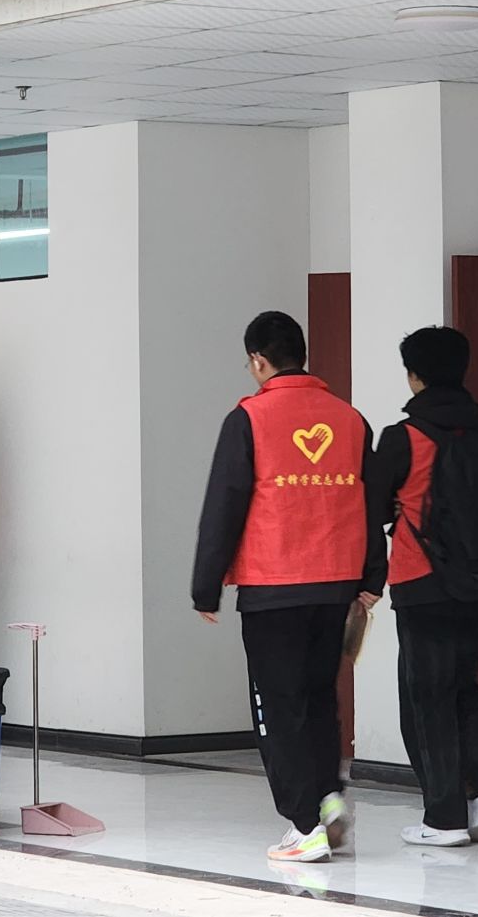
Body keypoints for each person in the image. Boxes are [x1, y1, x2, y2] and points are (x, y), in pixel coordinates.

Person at [192, 311, 384, 864]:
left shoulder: (248, 418)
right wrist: (372, 577)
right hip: (336, 583)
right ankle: (328, 797)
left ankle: (305, 827)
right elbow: (372, 503)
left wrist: (206, 587)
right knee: (319, 696)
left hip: (273, 585)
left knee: (278, 706)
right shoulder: (350, 419)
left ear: (258, 360)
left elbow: (225, 504)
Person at [367, 326, 478, 848]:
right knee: (463, 687)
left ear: (414, 376)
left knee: (425, 698)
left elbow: (372, 508)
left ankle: (444, 818)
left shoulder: (404, 437)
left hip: (422, 583)